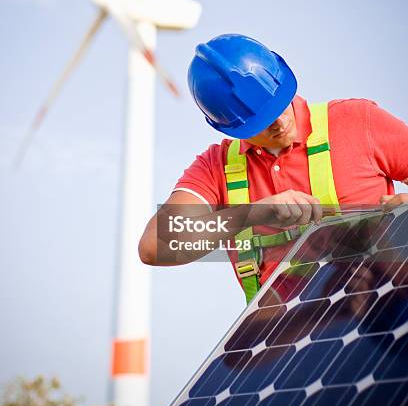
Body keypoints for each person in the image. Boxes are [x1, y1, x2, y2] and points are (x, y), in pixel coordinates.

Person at [138, 34, 408, 302]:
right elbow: (156, 245)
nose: (279, 121)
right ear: (228, 127)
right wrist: (253, 214)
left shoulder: (357, 122)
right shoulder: (215, 167)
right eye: (261, 121)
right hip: (290, 339)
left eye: (279, 103)